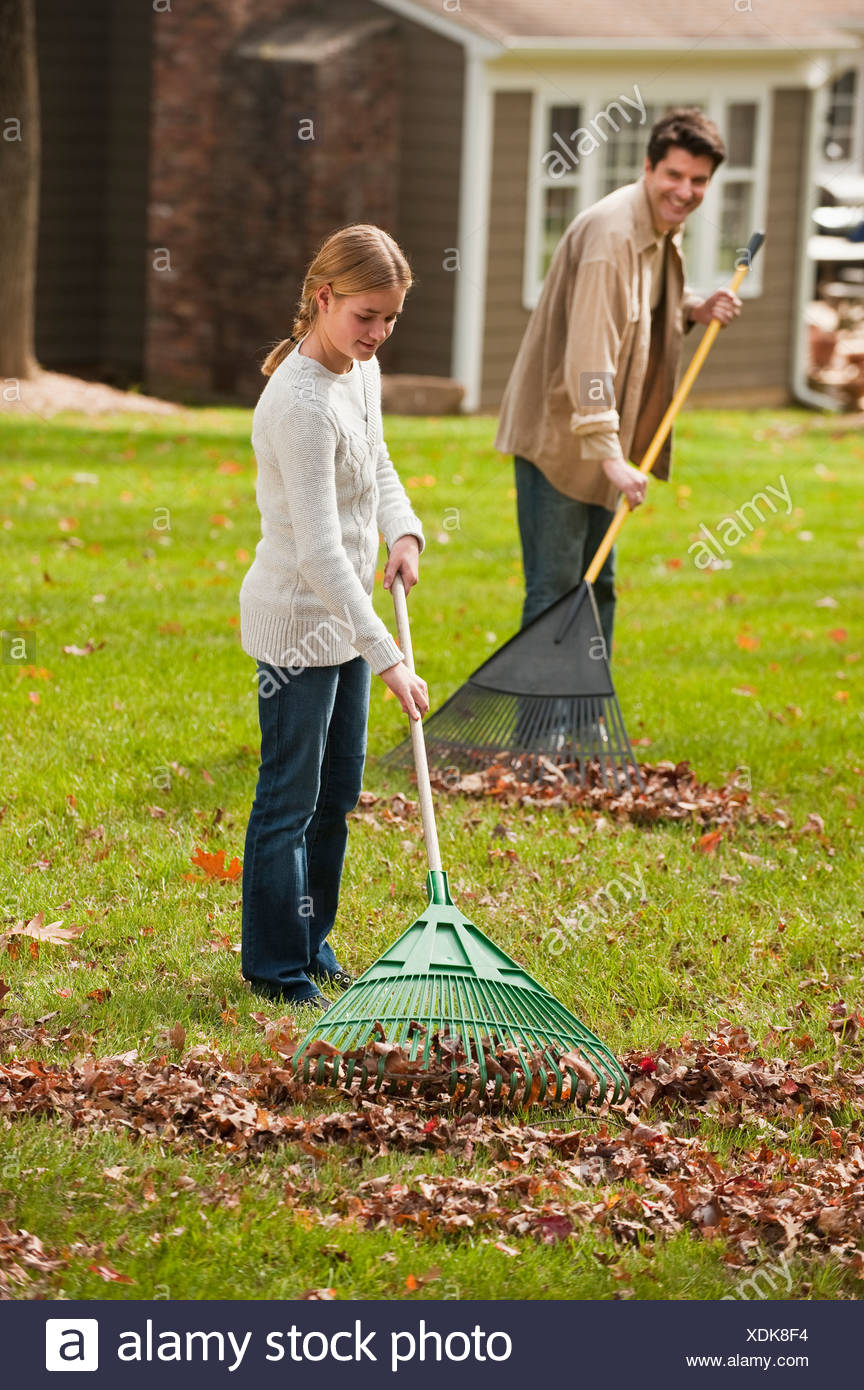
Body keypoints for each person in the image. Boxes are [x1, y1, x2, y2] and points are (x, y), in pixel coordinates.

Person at [239, 224, 428, 1010]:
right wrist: (387, 655)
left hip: (345, 623)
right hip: (297, 623)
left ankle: (312, 943)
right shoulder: (299, 401)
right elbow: (317, 551)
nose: (377, 334)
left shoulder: (359, 372)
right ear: (324, 299)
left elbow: (378, 462)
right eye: (364, 316)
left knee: (338, 793)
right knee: (289, 799)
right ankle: (274, 967)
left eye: (390, 319)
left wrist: (404, 529)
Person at [495, 108, 743, 658]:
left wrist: (691, 308)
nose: (686, 191)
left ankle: (582, 728)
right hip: (561, 440)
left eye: (699, 180)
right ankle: (536, 736)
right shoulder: (613, 238)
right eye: (675, 175)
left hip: (604, 441)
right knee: (556, 591)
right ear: (649, 167)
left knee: (597, 586)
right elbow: (590, 360)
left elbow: (632, 318)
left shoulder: (657, 231)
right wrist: (609, 456)